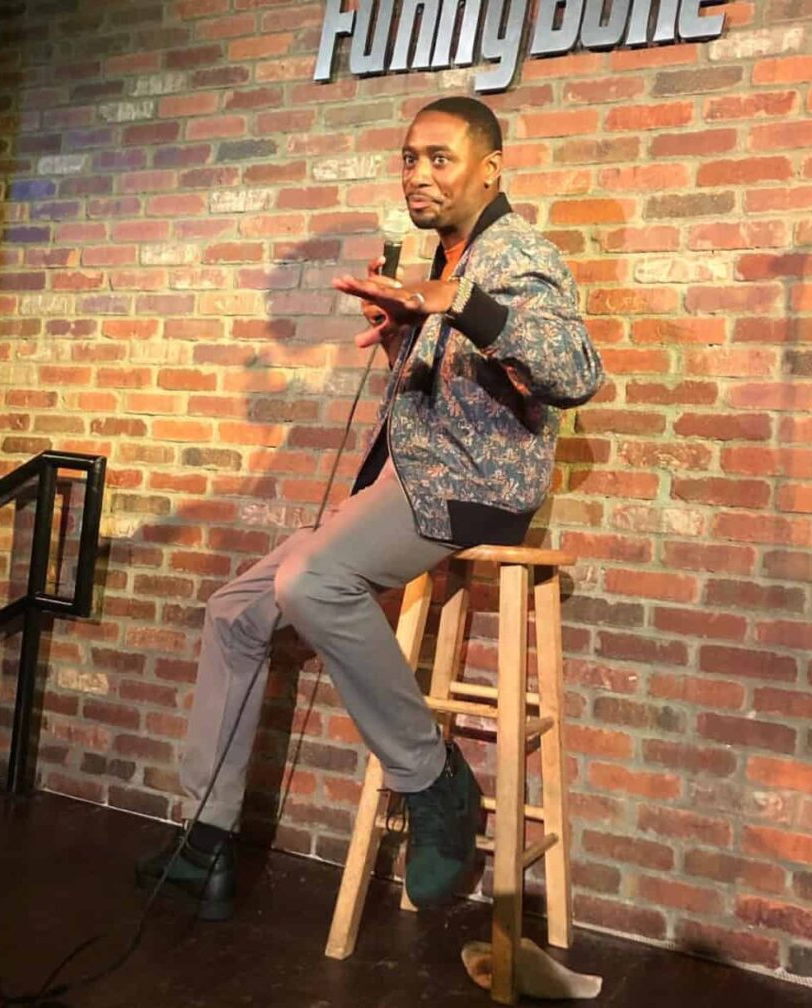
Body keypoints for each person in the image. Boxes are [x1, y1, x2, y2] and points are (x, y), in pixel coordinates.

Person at [136, 96, 604, 921]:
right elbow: (458, 388)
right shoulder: (446, 257)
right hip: (414, 481)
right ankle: (204, 844)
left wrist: (459, 303)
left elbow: (575, 373)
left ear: (489, 168)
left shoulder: (517, 254)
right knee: (235, 613)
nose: (418, 174)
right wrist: (401, 332)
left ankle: (434, 781)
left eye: (440, 158)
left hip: (474, 489)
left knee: (313, 582)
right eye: (408, 158)